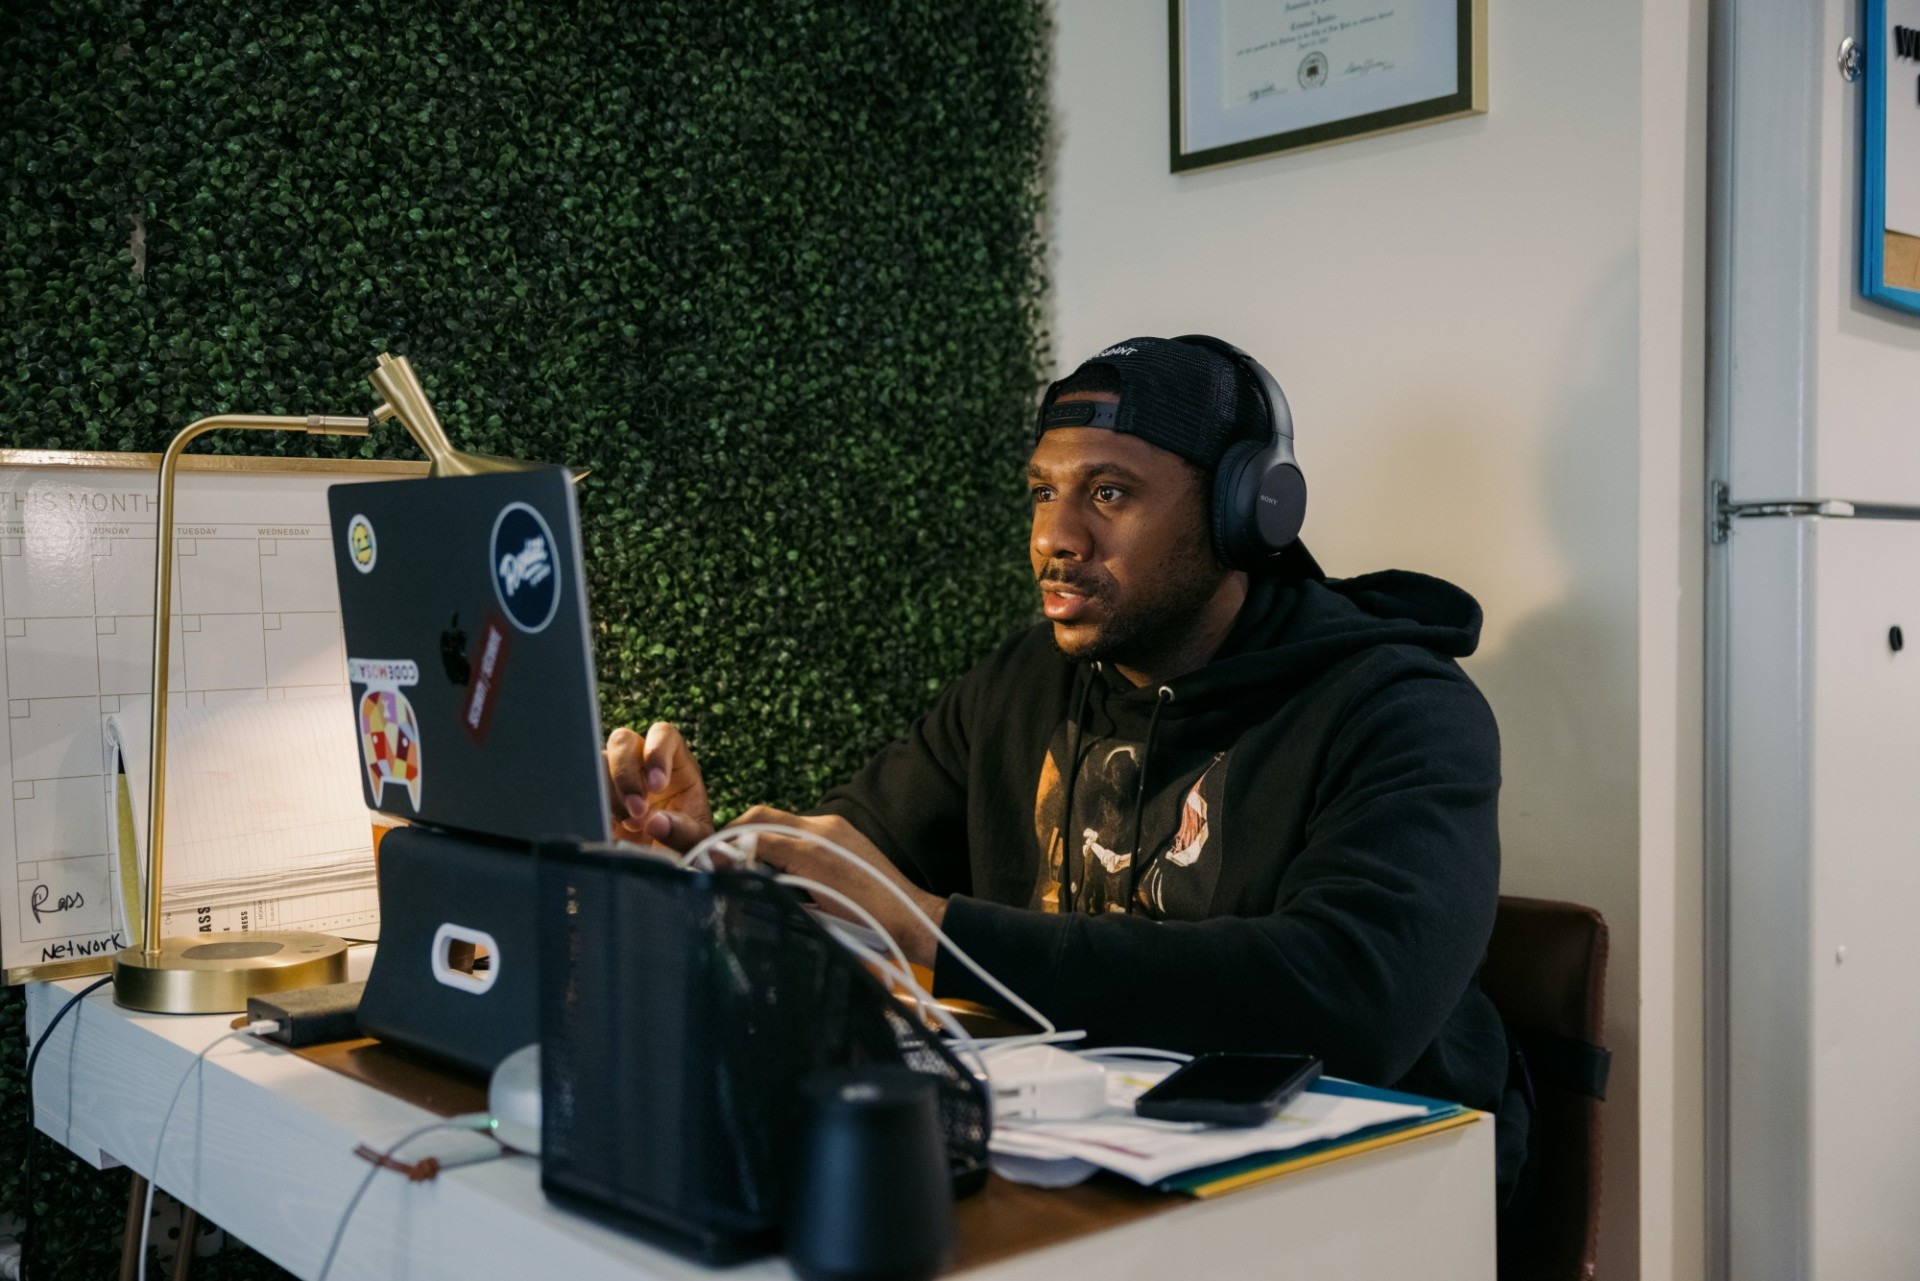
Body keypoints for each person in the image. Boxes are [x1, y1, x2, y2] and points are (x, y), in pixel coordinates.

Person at [605, 335, 1525, 1195]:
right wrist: (709, 859)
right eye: (1043, 492)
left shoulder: (1399, 709)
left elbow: (1354, 995)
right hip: (1097, 1167)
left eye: (1109, 493)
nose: (1056, 536)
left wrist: (940, 929)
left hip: (1369, 1188)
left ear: (1248, 513)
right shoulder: (1024, 682)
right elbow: (857, 875)